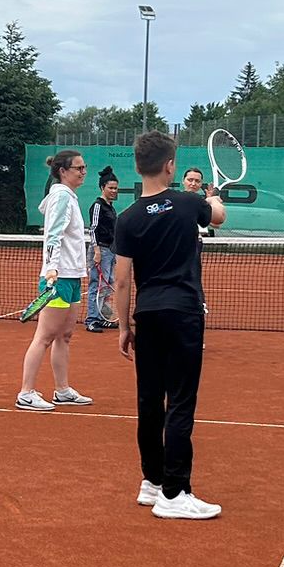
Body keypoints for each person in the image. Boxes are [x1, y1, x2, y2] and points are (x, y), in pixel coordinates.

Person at [114, 131, 226, 519]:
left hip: (148, 315)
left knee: (149, 402)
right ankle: (175, 493)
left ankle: (152, 482)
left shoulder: (127, 218)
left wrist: (124, 325)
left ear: (137, 166)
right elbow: (219, 217)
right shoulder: (188, 202)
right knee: (180, 402)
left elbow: (122, 279)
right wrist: (212, 197)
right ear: (170, 166)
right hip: (183, 314)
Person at [16, 149, 93, 411]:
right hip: (57, 278)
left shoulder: (68, 197)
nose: (83, 172)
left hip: (72, 277)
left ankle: (62, 390)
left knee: (66, 335)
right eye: (78, 168)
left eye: (84, 168)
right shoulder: (60, 196)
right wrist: (51, 269)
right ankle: (26, 393)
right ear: (63, 171)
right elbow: (53, 235)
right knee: (45, 336)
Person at [84, 167, 120, 333]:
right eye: (110, 188)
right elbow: (93, 229)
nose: (114, 191)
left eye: (115, 188)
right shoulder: (97, 206)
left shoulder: (111, 208)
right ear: (102, 188)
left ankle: (102, 318)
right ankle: (92, 320)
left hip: (111, 252)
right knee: (96, 285)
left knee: (106, 286)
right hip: (101, 251)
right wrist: (97, 251)